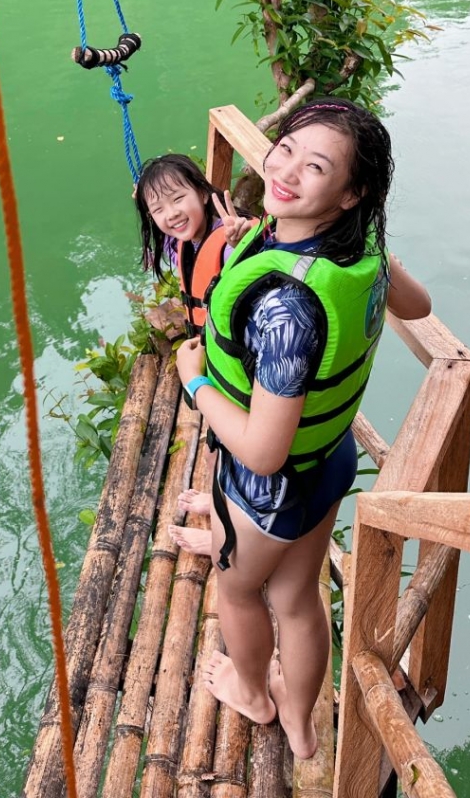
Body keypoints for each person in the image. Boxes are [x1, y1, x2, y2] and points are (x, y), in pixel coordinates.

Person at [172, 99, 430, 759]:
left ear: (350, 193)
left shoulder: (287, 309)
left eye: (314, 166)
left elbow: (261, 449)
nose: (283, 169)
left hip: (270, 486)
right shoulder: (357, 243)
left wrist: (196, 380)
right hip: (329, 461)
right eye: (284, 148)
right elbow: (417, 305)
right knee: (295, 595)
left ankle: (256, 694)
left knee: (239, 590)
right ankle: (302, 725)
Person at [134, 153, 254, 337]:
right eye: (158, 209)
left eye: (177, 199)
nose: (171, 214)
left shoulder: (229, 242)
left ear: (203, 194)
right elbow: (168, 241)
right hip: (210, 340)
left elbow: (252, 270)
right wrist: (142, 198)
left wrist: (243, 246)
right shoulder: (183, 244)